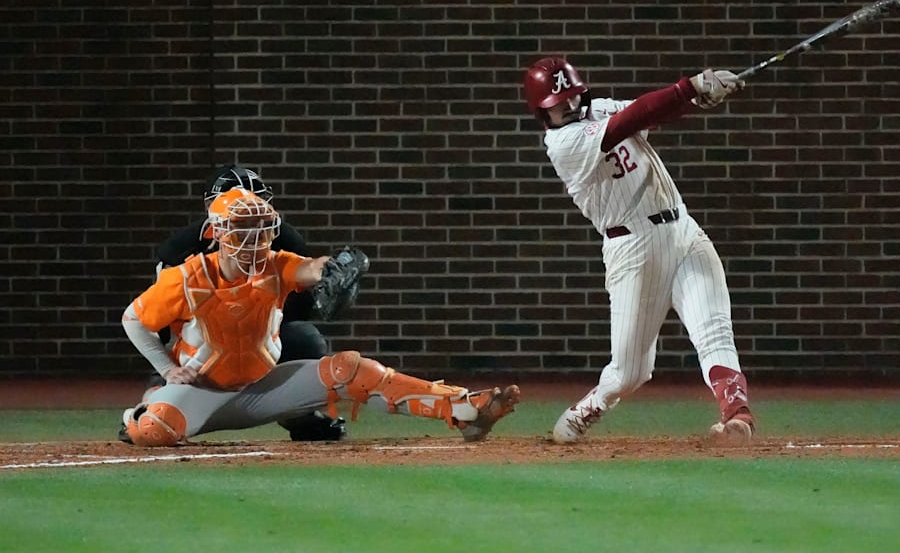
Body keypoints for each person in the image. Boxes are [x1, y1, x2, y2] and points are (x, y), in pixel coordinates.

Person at [119, 187, 521, 446]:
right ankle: (145, 405)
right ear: (217, 234)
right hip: (202, 392)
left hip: (263, 389)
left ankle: (464, 409)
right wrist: (167, 372)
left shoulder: (275, 265)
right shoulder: (187, 278)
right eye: (242, 230)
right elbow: (133, 319)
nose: (254, 240)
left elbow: (309, 268)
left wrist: (334, 266)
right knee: (154, 429)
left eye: (261, 230)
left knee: (349, 368)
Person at [522, 57, 755, 444]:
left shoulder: (595, 108)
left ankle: (737, 415)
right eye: (559, 106)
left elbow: (650, 113)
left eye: (573, 98)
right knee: (629, 373)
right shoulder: (561, 145)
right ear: (542, 114)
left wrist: (699, 99)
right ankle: (591, 405)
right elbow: (626, 123)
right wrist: (689, 87)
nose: (570, 108)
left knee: (714, 330)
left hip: (683, 230)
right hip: (633, 249)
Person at [127, 164, 345, 443]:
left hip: (264, 335)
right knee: (183, 353)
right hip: (200, 338)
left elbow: (301, 302)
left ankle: (298, 415)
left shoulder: (284, 239)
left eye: (254, 200)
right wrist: (169, 369)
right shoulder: (181, 249)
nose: (248, 211)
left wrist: (323, 272)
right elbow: (156, 317)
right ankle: (149, 410)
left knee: (306, 339)